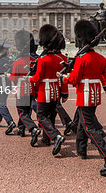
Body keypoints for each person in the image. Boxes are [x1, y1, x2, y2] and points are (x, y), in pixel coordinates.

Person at [58, 20, 106, 176]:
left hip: (84, 96)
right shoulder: (101, 58)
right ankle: (82, 150)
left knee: (89, 127)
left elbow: (74, 79)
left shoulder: (81, 59)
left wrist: (62, 77)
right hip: (94, 96)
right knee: (80, 123)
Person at [30, 25, 67, 154]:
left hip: (44, 92)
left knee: (41, 116)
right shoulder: (60, 59)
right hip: (55, 91)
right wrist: (64, 92)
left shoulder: (43, 60)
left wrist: (28, 79)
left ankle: (56, 136)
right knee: (51, 116)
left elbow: (38, 78)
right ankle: (46, 139)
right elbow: (62, 77)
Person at [8, 31, 41, 144]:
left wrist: (7, 75)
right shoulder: (33, 60)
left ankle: (33, 128)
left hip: (21, 88)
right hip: (31, 88)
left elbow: (14, 78)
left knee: (22, 112)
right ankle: (21, 129)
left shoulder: (18, 62)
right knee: (27, 111)